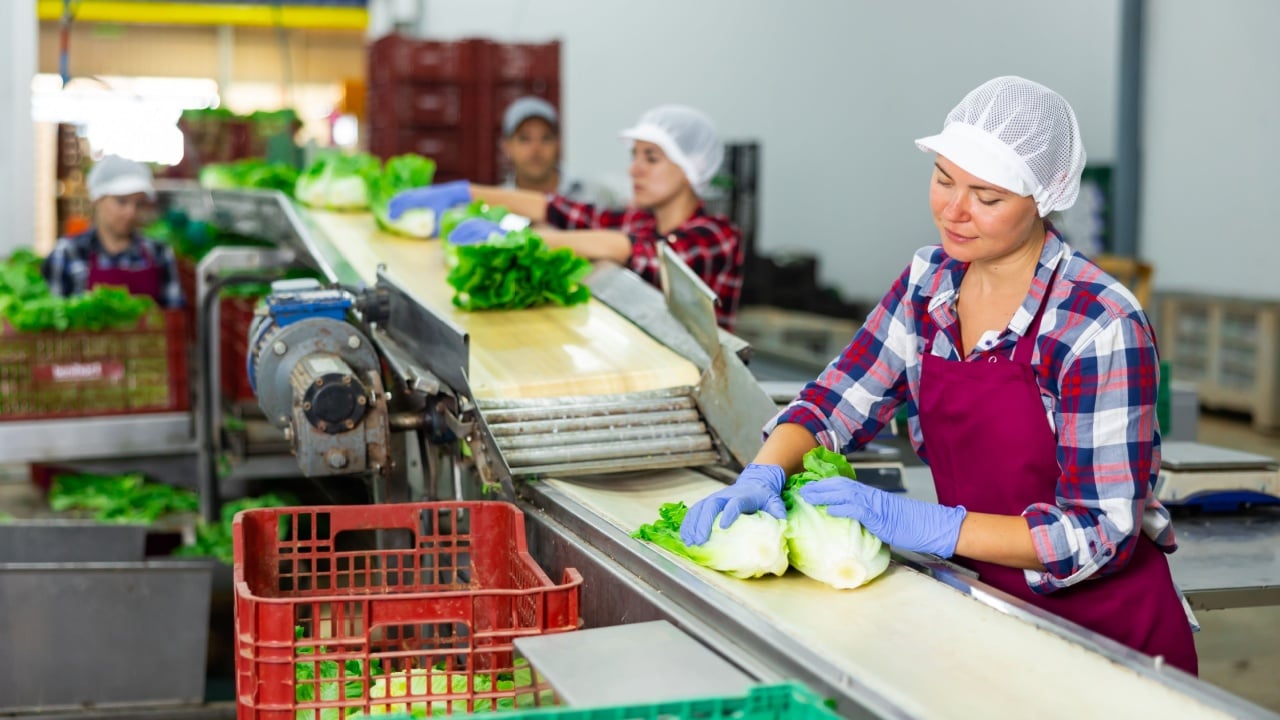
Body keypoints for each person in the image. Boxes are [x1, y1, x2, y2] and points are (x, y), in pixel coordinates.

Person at [679, 76, 1197, 674]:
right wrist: (764, 472)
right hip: (982, 605)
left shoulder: (1098, 323)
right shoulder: (929, 283)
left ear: (1044, 197)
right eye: (944, 180)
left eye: (987, 196)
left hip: (1105, 638)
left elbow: (1099, 532)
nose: (953, 211)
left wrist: (925, 523)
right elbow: (832, 404)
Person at [388, 104, 744, 330]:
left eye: (650, 158)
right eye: (634, 156)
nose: (634, 169)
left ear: (690, 168)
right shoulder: (641, 220)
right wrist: (467, 192)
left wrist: (514, 240)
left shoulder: (718, 236)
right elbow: (560, 209)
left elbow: (638, 251)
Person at [43, 155, 185, 308]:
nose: (131, 212)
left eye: (139, 204)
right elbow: (54, 319)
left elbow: (173, 317)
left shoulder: (159, 252)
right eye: (121, 201)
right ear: (97, 199)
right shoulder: (67, 253)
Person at [500, 96, 615, 206]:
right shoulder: (495, 205)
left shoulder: (593, 198)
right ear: (507, 146)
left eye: (546, 138)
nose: (536, 148)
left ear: (558, 144)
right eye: (525, 139)